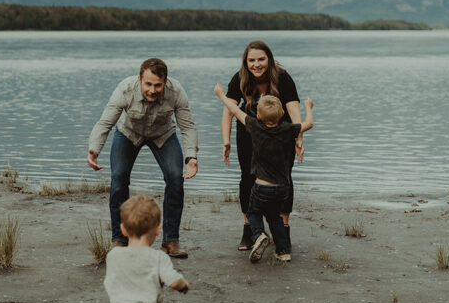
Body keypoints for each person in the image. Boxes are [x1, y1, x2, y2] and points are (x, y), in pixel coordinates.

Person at [88, 57, 198, 258]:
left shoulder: (177, 92)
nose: (152, 90)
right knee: (119, 179)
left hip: (162, 134)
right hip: (128, 133)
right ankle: (120, 240)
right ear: (140, 80)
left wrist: (191, 157)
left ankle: (170, 241)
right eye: (148, 84)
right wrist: (94, 149)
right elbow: (105, 123)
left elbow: (187, 126)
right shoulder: (125, 90)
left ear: (165, 82)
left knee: (175, 178)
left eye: (158, 85)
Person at [214, 87, 314, 263]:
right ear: (283, 113)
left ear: (258, 116)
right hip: (282, 187)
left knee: (253, 212)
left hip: (261, 186)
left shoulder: (255, 127)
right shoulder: (288, 129)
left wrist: (222, 96)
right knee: (274, 217)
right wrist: (308, 107)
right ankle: (283, 251)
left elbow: (236, 111)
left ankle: (259, 235)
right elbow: (308, 124)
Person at [220, 41, 303, 251]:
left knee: (284, 177)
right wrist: (226, 140)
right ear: (246, 62)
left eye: (261, 59)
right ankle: (250, 231)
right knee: (247, 176)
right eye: (252, 60)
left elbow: (293, 109)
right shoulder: (239, 78)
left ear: (269, 59)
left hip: (280, 134)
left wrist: (298, 137)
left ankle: (283, 231)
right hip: (249, 134)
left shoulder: (282, 77)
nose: (257, 64)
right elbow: (228, 111)